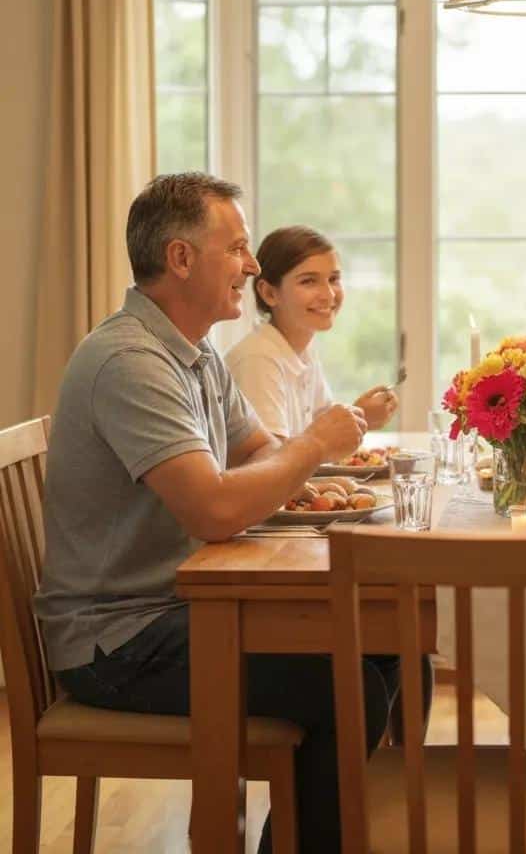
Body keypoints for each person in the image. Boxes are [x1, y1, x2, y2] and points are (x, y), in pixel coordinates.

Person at [34, 173, 402, 854]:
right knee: (349, 685)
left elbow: (262, 450)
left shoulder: (194, 349)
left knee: (379, 644)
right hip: (120, 640)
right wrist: (318, 444)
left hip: (174, 606)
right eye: (236, 248)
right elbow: (214, 511)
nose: (253, 265)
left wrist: (324, 475)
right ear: (180, 259)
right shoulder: (131, 361)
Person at [226, 225, 397, 443]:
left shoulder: (303, 349)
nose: (328, 294)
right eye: (308, 281)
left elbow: (320, 436)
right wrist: (361, 416)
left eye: (334, 279)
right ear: (269, 293)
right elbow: (271, 462)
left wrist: (358, 417)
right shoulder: (258, 359)